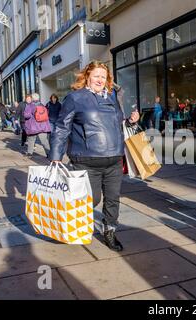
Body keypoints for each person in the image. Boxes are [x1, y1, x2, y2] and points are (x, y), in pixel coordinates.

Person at [49, 61, 140, 252]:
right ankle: (74, 223)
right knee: (92, 199)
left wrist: (131, 122)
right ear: (87, 76)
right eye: (96, 75)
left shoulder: (112, 96)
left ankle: (110, 231)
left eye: (103, 76)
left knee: (113, 199)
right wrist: (55, 155)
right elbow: (62, 127)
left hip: (114, 158)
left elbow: (117, 123)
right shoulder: (75, 98)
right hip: (86, 160)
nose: (100, 79)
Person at [24, 93, 51, 157]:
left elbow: (26, 115)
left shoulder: (30, 106)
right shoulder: (42, 105)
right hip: (43, 127)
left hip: (33, 127)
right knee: (44, 141)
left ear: (32, 98)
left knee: (31, 140)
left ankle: (30, 153)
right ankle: (49, 154)